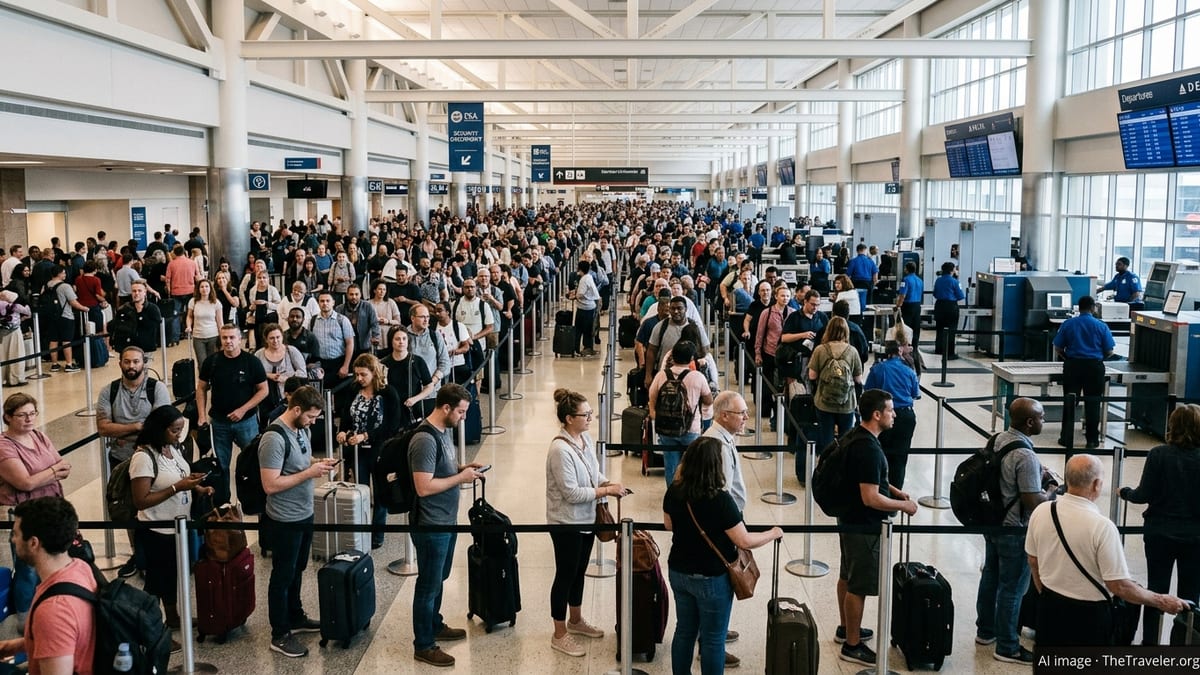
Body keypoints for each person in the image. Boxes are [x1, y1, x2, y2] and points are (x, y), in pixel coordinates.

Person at [1026, 454, 1189, 647]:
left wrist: (1046, 594)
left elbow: (1033, 561)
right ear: (1096, 484)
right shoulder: (1102, 527)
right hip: (1090, 617)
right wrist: (1161, 600)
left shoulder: (1042, 511)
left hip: (1049, 607)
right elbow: (1119, 586)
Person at [662, 436, 783, 675]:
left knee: (684, 631)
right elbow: (744, 540)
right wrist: (772, 532)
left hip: (679, 570)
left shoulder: (674, 491)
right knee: (713, 639)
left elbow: (668, 525)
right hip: (712, 577)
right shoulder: (720, 500)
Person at [973, 397, 1059, 663]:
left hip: (992, 522)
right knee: (1012, 588)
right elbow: (1033, 501)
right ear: (1030, 422)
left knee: (990, 576)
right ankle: (1008, 645)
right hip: (1014, 528)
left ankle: (985, 631)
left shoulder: (998, 439)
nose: (1044, 420)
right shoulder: (1026, 454)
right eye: (1042, 417)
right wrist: (1052, 491)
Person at [835, 389, 917, 666]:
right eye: (891, 410)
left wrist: (895, 491)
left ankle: (847, 628)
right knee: (858, 584)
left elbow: (871, 479)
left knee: (847, 574)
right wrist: (902, 506)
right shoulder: (868, 448)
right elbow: (870, 497)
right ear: (877, 414)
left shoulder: (855, 436)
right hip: (864, 525)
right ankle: (852, 645)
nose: (895, 414)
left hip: (848, 519)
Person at [259, 385, 341, 658]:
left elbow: (301, 462)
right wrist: (310, 473)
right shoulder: (274, 438)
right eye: (311, 416)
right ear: (295, 410)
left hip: (304, 512)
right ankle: (279, 633)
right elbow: (270, 484)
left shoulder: (301, 430)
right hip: (284, 518)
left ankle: (295, 615)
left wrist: (318, 463)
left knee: (298, 568)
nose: (313, 422)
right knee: (282, 575)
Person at [544, 389, 627, 657]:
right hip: (565, 521)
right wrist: (605, 492)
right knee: (565, 574)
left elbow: (593, 470)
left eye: (591, 413)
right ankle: (559, 633)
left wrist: (606, 482)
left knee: (579, 571)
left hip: (587, 518)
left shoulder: (585, 438)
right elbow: (571, 493)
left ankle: (576, 620)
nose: (591, 418)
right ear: (569, 418)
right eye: (586, 414)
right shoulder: (559, 450)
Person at [409, 383, 487, 668]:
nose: (464, 417)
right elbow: (423, 487)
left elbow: (439, 469)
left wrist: (461, 469)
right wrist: (461, 479)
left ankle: (434, 623)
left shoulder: (444, 432)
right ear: (445, 408)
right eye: (461, 412)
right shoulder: (425, 440)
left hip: (445, 519)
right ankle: (423, 644)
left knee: (439, 577)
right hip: (430, 524)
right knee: (428, 583)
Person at [131, 405, 213, 648]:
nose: (179, 435)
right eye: (174, 430)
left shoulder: (171, 448)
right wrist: (179, 488)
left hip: (179, 525)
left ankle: (174, 617)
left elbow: (179, 475)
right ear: (160, 429)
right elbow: (141, 500)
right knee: (156, 582)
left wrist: (197, 487)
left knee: (172, 576)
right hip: (156, 530)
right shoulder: (143, 458)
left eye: (180, 430)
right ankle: (152, 632)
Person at [1119, 404, 1200, 645]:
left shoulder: (1158, 455)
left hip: (1159, 533)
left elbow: (1144, 494)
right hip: (1196, 537)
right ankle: (1183, 645)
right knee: (1190, 595)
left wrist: (1125, 492)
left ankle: (1150, 644)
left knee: (1155, 592)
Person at [96, 345, 172, 577]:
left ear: (144, 363)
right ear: (120, 363)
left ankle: (158, 554)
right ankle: (138, 556)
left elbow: (160, 426)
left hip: (154, 460)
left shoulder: (156, 389)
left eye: (136, 362)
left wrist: (123, 434)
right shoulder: (108, 391)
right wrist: (137, 427)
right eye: (127, 362)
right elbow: (103, 427)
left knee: (155, 506)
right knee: (130, 510)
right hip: (121, 461)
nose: (132, 366)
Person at [0, 497, 96, 674]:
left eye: (16, 534)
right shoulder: (79, 567)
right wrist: (19, 644)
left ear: (33, 543)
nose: (13, 540)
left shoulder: (54, 610)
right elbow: (68, 637)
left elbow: (56, 628)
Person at [0, 393, 71, 624]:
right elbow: (25, 483)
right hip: (22, 512)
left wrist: (44, 475)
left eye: (32, 413)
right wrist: (52, 473)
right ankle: (26, 619)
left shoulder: (39, 436)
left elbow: (64, 466)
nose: (29, 419)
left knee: (52, 561)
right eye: (22, 415)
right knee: (28, 568)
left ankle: (48, 612)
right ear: (8, 417)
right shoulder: (4, 446)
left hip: (49, 507)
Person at [197, 323, 269, 504]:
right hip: (219, 422)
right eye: (225, 338)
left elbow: (263, 390)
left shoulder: (251, 362)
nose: (228, 341)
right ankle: (224, 503)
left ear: (240, 339)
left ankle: (253, 500)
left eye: (232, 337)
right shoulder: (211, 362)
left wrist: (243, 409)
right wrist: (201, 416)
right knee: (221, 465)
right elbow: (201, 388)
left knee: (251, 461)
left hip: (247, 421)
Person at [336, 353, 401, 550]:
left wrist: (366, 436)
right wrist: (342, 432)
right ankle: (361, 531)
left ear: (374, 373)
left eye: (363, 374)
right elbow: (346, 414)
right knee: (361, 491)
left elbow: (392, 425)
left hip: (380, 450)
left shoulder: (388, 393)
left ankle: (377, 534)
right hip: (357, 451)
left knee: (381, 494)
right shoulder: (353, 389)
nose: (359, 378)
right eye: (356, 374)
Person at [649, 340, 714, 488]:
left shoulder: (661, 375)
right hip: (691, 428)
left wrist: (655, 416)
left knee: (671, 466)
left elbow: (652, 397)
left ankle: (673, 497)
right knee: (692, 466)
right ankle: (690, 497)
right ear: (691, 358)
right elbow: (709, 400)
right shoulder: (697, 377)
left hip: (666, 429)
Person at [1053, 296, 1114, 450]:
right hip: (1094, 367)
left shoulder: (1068, 324)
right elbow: (1109, 351)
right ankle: (1092, 440)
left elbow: (1058, 348)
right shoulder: (1101, 326)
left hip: (1073, 366)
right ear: (1093, 308)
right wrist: (1098, 359)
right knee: (1093, 403)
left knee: (1070, 402)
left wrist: (1069, 359)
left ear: (1079, 308)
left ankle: (1066, 438)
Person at [863, 341, 920, 489]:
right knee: (900, 459)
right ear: (900, 352)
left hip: (882, 415)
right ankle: (896, 496)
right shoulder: (909, 371)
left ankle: (882, 492)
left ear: (886, 353)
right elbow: (915, 394)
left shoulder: (878, 369)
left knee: (881, 455)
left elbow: (868, 391)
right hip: (906, 416)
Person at [808, 317, 864, 453]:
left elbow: (812, 376)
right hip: (847, 404)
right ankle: (843, 468)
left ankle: (827, 465)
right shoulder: (852, 351)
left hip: (824, 402)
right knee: (846, 439)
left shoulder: (820, 350)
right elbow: (858, 379)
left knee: (826, 439)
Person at [380, 326, 436, 428]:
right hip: (391, 412)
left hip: (412, 412)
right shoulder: (383, 363)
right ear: (391, 341)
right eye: (397, 339)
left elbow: (429, 386)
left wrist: (415, 399)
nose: (401, 342)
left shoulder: (417, 361)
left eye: (404, 339)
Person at [255, 323, 307, 420]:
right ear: (266, 339)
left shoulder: (291, 351)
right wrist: (268, 375)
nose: (275, 341)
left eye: (278, 337)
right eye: (271, 338)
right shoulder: (259, 354)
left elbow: (303, 373)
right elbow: (253, 374)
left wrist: (287, 378)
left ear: (282, 337)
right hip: (266, 399)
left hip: (288, 398)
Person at [309, 291, 355, 388]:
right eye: (322, 301)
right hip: (320, 364)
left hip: (338, 363)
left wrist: (346, 366)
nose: (324, 303)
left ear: (333, 302)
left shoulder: (342, 320)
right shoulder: (313, 321)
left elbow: (350, 344)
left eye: (327, 301)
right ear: (318, 303)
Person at [187, 278, 224, 369]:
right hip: (198, 336)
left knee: (213, 362)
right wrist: (189, 326)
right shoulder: (193, 301)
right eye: (202, 287)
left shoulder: (216, 303)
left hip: (213, 336)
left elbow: (220, 322)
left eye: (207, 286)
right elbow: (189, 316)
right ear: (198, 289)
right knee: (202, 363)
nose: (204, 289)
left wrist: (222, 337)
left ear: (210, 288)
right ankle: (204, 382)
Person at [931, 261, 964, 360]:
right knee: (951, 329)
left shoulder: (938, 280)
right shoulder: (955, 281)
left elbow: (935, 294)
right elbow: (960, 296)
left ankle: (939, 349)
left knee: (940, 329)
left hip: (940, 305)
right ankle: (950, 352)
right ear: (952, 270)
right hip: (951, 307)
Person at [570, 259, 601, 357]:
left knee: (580, 329)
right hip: (590, 307)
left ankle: (579, 348)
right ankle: (587, 348)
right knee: (588, 329)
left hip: (584, 308)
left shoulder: (584, 279)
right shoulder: (589, 277)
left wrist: (574, 296)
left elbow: (581, 294)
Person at [896, 261, 924, 347]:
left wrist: (898, 305)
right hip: (917, 305)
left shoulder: (905, 279)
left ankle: (906, 345)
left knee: (906, 327)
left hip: (908, 306)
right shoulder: (920, 280)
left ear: (906, 269)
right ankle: (915, 346)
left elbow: (902, 295)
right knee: (916, 326)